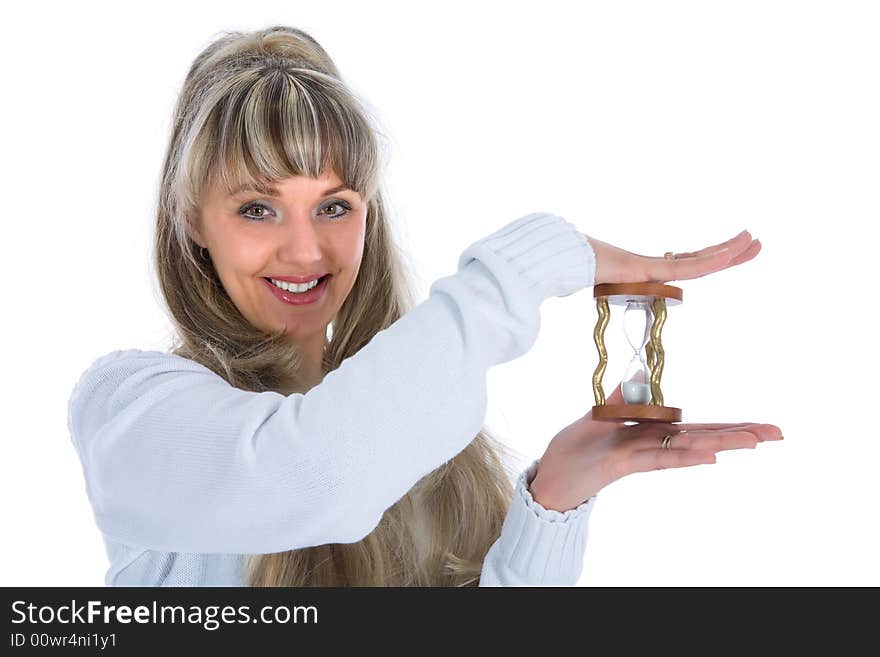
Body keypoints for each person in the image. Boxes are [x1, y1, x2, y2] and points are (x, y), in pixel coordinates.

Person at [66, 25, 782, 587]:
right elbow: (313, 473)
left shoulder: (412, 427)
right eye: (258, 208)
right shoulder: (129, 409)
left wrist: (555, 499)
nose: (305, 250)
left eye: (334, 206)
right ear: (193, 220)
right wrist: (531, 264)